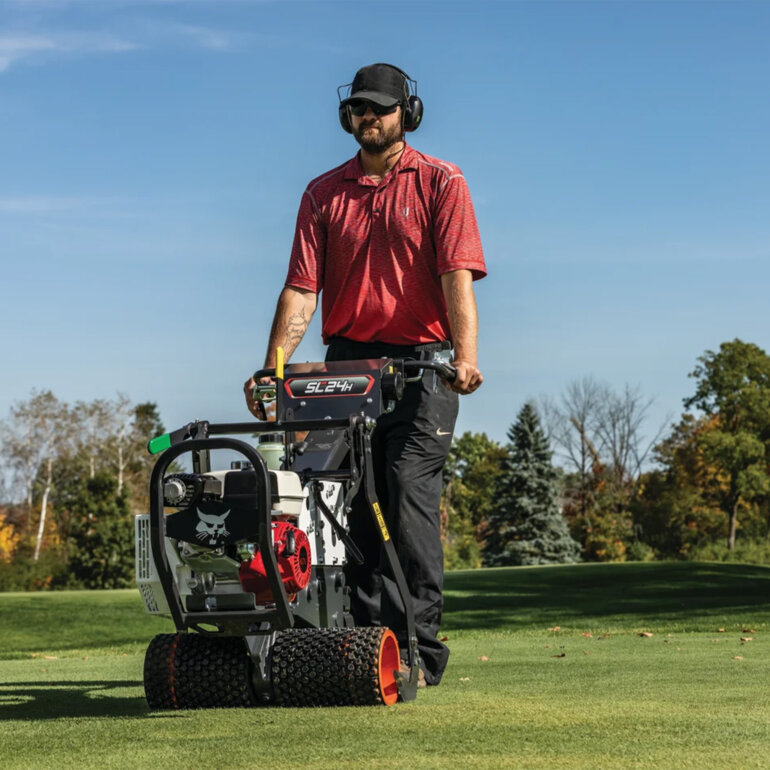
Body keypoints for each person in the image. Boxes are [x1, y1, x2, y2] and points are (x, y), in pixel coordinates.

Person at [244, 62, 486, 686]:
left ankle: (419, 651)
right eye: (359, 108)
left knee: (406, 496)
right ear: (346, 116)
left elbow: (455, 274)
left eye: (380, 107)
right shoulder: (323, 193)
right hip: (348, 369)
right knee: (347, 506)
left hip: (423, 366)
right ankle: (362, 641)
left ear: (408, 112)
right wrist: (272, 372)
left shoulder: (440, 181)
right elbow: (301, 291)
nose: (368, 118)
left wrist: (466, 355)